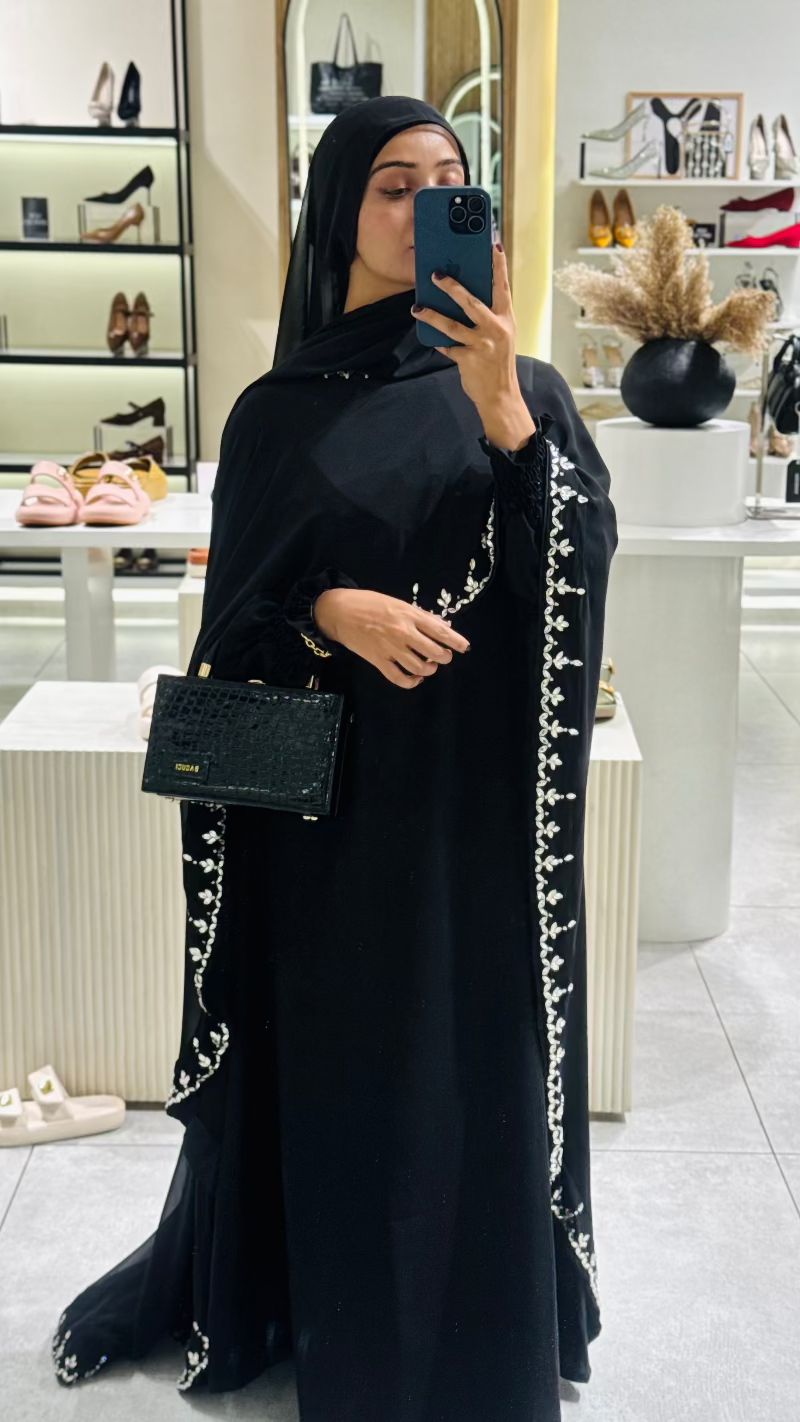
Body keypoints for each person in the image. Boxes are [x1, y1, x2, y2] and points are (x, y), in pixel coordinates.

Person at [51, 96, 618, 1422]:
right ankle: (338, 1320)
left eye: (449, 184)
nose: (424, 207)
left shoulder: (526, 392)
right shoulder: (275, 412)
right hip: (329, 827)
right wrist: (327, 609)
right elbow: (234, 615)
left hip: (471, 821)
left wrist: (508, 426)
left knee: (467, 1071)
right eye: (390, 185)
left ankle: (481, 1342)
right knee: (351, 1077)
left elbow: (578, 583)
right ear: (338, 213)